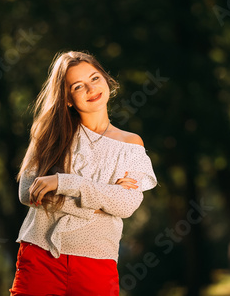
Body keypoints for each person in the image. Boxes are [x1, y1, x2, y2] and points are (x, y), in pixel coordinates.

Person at [9, 51, 158, 296]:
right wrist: (103, 200)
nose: (91, 89)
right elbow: (28, 193)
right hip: (40, 256)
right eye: (78, 86)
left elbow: (126, 204)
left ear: (106, 80)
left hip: (96, 261)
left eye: (95, 78)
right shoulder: (47, 135)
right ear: (67, 98)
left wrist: (63, 182)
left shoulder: (131, 144)